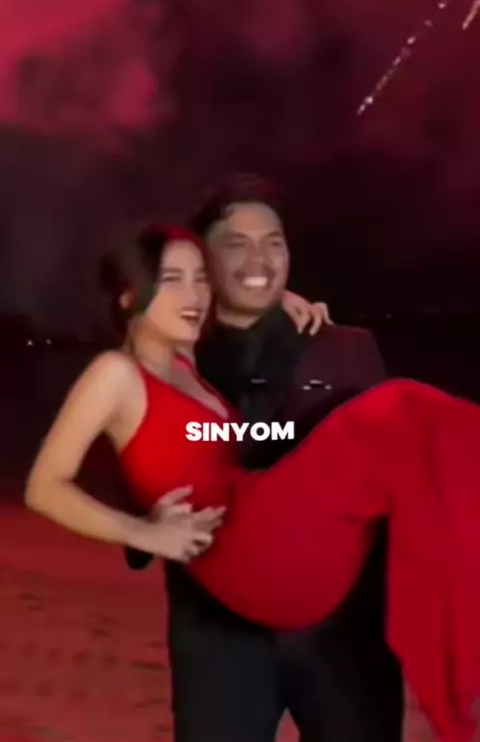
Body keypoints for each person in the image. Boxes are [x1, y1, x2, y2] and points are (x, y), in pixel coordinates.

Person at [25, 225, 480, 742]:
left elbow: (238, 430)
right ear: (129, 296)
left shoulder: (185, 361)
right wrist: (144, 532)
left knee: (411, 471)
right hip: (240, 551)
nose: (194, 295)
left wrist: (277, 297)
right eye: (172, 279)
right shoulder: (115, 373)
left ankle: (457, 636)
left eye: (201, 278)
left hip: (259, 522)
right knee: (395, 412)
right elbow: (44, 486)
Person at [125, 175, 403, 742]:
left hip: (343, 645)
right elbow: (131, 503)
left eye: (273, 243)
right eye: (237, 244)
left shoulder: (346, 350)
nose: (260, 260)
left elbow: (395, 486)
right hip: (218, 641)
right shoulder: (166, 364)